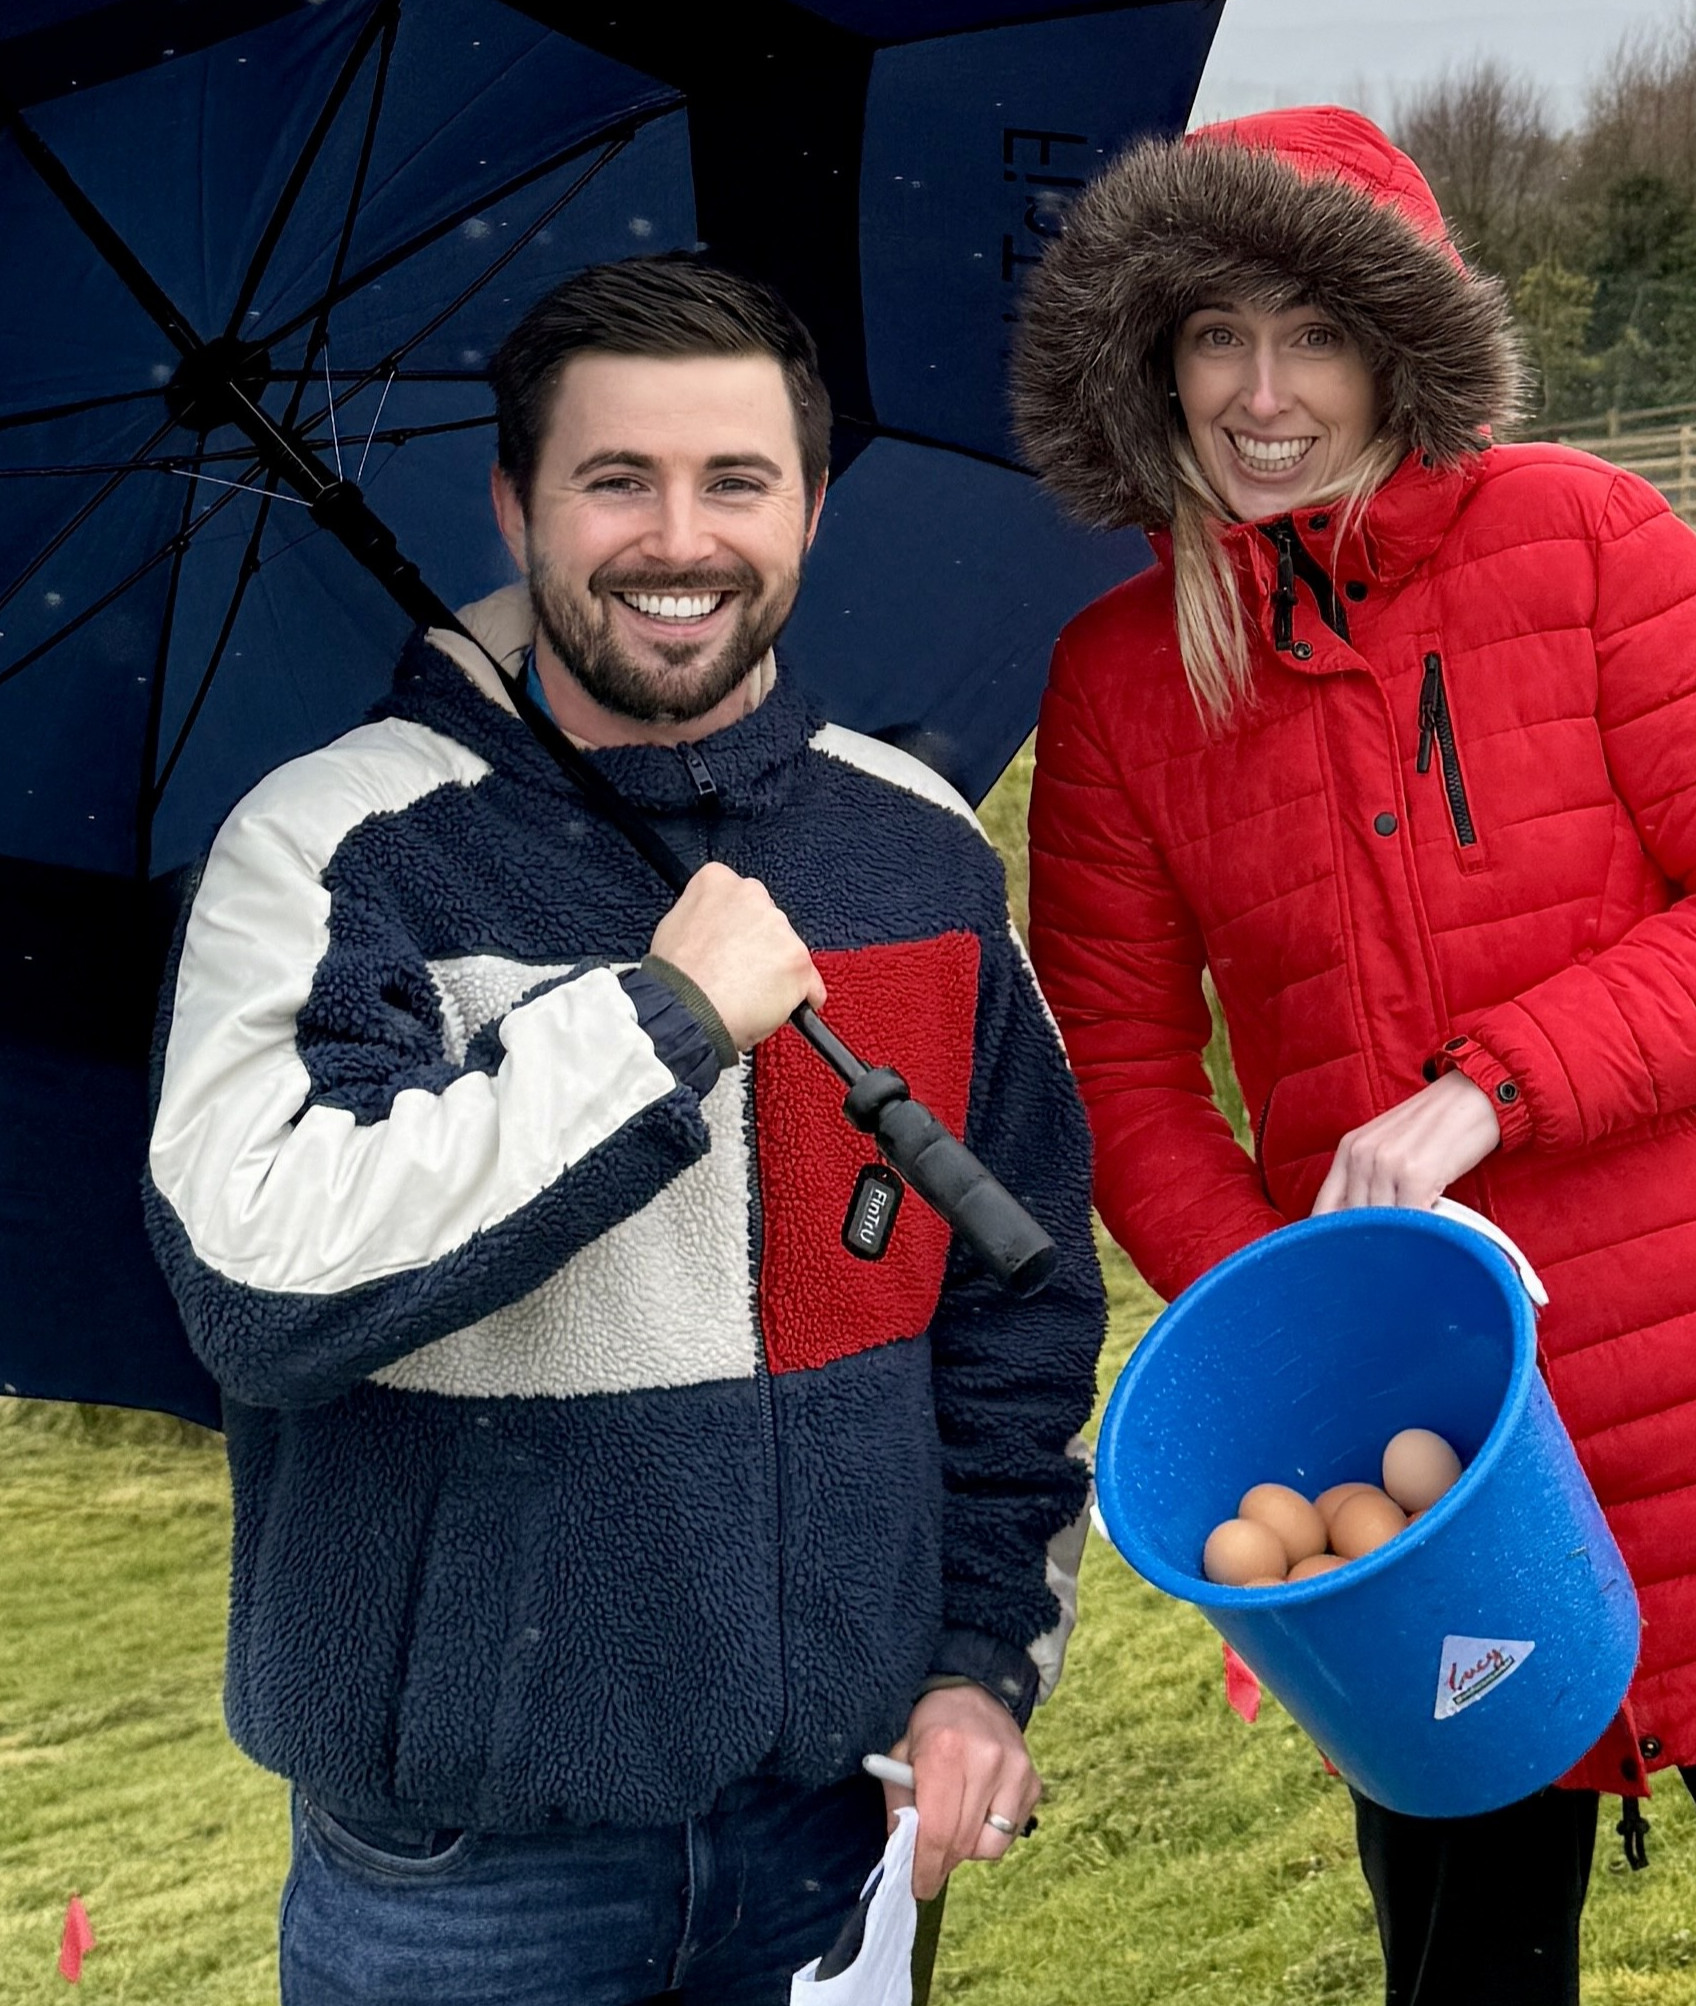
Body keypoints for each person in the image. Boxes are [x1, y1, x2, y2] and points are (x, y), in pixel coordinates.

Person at [1009, 108, 1696, 2006]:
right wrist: (1297, 1329)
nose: (1262, 389)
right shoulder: (1126, 679)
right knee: (1471, 1977)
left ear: (1399, 339)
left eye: (1311, 330)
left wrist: (1491, 1089)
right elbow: (1127, 1076)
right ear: (1155, 364)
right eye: (1215, 336)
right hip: (1418, 1451)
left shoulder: (1587, 538)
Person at [145, 256, 1102, 2004]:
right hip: (463, 1878)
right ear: (515, 506)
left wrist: (978, 1659)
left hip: (832, 1832)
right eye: (616, 480)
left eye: (736, 480)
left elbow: (1015, 1317)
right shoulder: (333, 847)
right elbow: (255, 1274)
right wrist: (657, 1027)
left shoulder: (919, 852)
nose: (681, 536)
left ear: (811, 506)